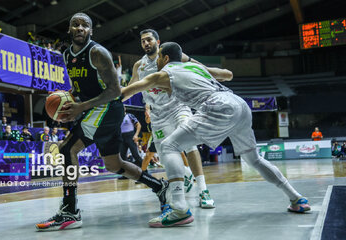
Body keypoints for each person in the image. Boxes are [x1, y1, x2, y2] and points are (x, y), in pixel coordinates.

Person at [120, 42, 311, 227]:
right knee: (253, 159)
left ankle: (179, 209)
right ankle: (297, 198)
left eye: (159, 57)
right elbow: (227, 74)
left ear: (166, 58)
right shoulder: (197, 68)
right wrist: (195, 63)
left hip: (217, 106)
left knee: (168, 146)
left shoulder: (164, 73)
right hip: (240, 105)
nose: (157, 61)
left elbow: (127, 92)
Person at [35, 13, 168, 231]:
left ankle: (70, 211)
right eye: (75, 25)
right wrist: (69, 99)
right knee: (114, 165)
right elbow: (81, 88)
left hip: (108, 108)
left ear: (91, 31)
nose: (80, 28)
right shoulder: (67, 55)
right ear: (69, 30)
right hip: (96, 109)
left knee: (67, 149)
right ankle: (159, 186)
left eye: (85, 25)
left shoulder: (97, 53)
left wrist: (81, 107)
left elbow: (115, 91)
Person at [128, 29, 215, 208]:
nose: (146, 43)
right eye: (143, 41)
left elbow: (196, 66)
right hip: (157, 114)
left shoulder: (173, 56)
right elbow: (133, 86)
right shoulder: (139, 65)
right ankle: (185, 175)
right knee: (164, 153)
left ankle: (203, 190)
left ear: (158, 42)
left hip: (178, 107)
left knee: (189, 143)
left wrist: (210, 76)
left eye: (149, 40)